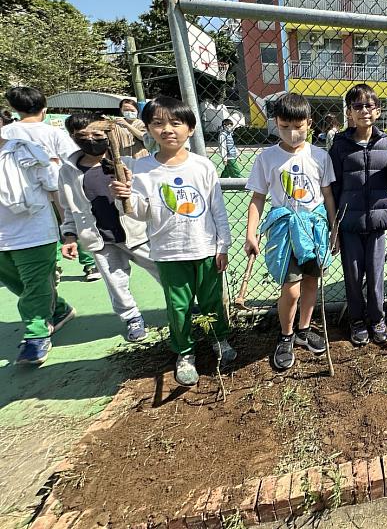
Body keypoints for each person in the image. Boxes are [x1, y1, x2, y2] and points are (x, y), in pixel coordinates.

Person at [110, 96, 235, 386]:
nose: (167, 129)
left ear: (190, 129)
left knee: (211, 301)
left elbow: (217, 208)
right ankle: (185, 352)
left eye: (176, 123)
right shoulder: (141, 170)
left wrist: (223, 246)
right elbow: (141, 213)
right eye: (158, 123)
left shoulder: (202, 166)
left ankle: (220, 341)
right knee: (178, 307)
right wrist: (124, 197)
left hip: (205, 248)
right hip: (168, 251)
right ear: (149, 129)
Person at [244, 93, 337, 371]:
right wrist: (251, 232)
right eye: (285, 126)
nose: (292, 133)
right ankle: (285, 335)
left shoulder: (320, 156)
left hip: (314, 230)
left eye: (298, 126)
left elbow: (328, 195)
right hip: (285, 231)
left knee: (311, 282)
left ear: (310, 123)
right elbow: (258, 197)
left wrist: (334, 231)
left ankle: (304, 330)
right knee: (292, 289)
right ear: (276, 123)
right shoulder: (267, 158)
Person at [58, 112, 160, 342]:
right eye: (83, 135)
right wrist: (69, 236)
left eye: (97, 134)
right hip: (100, 239)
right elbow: (68, 208)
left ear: (107, 134)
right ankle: (132, 317)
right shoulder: (68, 171)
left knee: (162, 269)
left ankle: (182, 304)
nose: (91, 140)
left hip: (136, 233)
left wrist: (130, 186)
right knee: (116, 282)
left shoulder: (127, 164)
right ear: (73, 137)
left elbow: (147, 199)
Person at [328, 83, 387, 346]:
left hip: (376, 222)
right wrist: (335, 225)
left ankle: (377, 319)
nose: (363, 110)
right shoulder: (339, 145)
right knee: (352, 276)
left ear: (378, 111)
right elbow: (334, 185)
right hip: (349, 223)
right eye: (357, 106)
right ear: (349, 112)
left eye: (369, 105)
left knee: (375, 275)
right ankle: (357, 321)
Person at [0, 86, 99, 282]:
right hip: (57, 184)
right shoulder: (52, 132)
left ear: (13, 109)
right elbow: (72, 158)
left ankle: (52, 267)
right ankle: (89, 264)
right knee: (72, 220)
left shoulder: (7, 132)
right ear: (44, 108)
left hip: (21, 190)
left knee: (43, 226)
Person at [0, 133, 75, 364]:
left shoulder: (26, 152)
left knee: (34, 285)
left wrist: (67, 230)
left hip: (33, 234)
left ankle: (36, 336)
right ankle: (60, 309)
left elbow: (55, 190)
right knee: (20, 284)